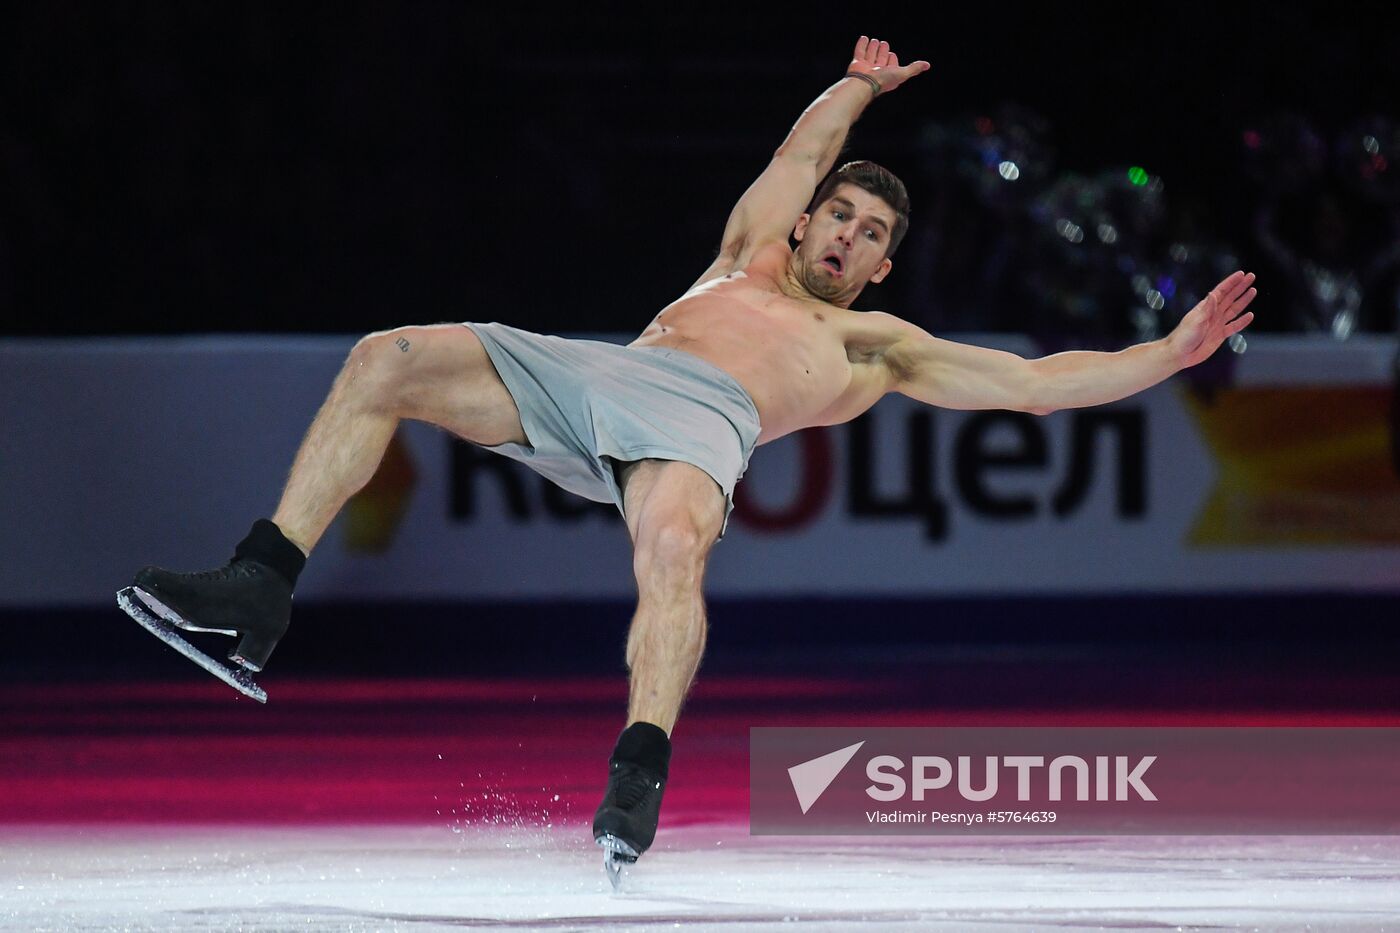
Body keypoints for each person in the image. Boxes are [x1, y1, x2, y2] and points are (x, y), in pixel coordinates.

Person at [122, 36, 1258, 874]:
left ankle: (637, 770)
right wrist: (856, 87)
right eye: (840, 218)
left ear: (876, 274)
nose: (847, 236)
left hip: (704, 423)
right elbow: (801, 146)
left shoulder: (869, 345)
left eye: (871, 238)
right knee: (385, 358)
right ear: (808, 224)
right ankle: (261, 584)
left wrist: (1165, 352)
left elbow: (1031, 385)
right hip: (600, 376)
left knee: (672, 553)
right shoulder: (746, 253)